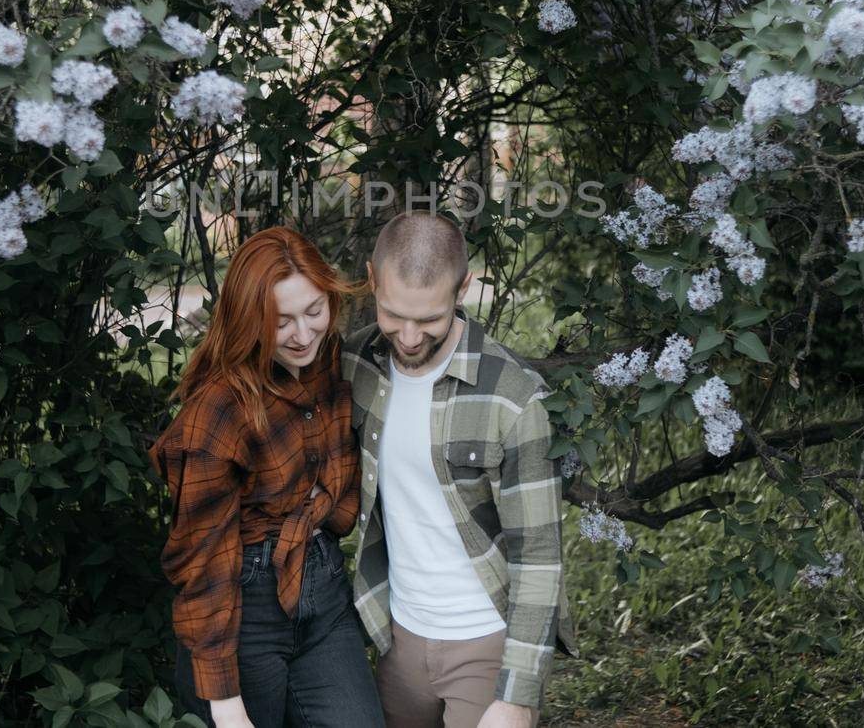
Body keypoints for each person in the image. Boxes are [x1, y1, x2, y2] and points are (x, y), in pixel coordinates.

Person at [342, 211, 578, 728]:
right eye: (392, 314)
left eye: (428, 319)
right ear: (373, 280)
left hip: (485, 643)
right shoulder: (357, 364)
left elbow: (538, 556)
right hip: (395, 633)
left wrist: (516, 695)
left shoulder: (513, 399)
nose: (407, 336)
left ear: (464, 288)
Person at [149, 226, 385, 728]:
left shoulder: (326, 359)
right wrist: (224, 697)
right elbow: (204, 561)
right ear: (249, 319)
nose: (303, 336)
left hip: (323, 591)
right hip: (243, 606)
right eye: (281, 322)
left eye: (314, 312)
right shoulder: (218, 413)